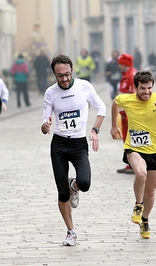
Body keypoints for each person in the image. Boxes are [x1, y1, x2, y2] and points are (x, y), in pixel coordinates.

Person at [41, 54, 106, 246]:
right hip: (59, 145)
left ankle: (74, 186)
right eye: (60, 76)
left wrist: (95, 130)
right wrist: (45, 126)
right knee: (62, 194)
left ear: (72, 71)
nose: (64, 79)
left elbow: (101, 108)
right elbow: (45, 120)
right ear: (54, 74)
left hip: (78, 145)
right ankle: (71, 231)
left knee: (85, 183)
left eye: (67, 74)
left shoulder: (84, 87)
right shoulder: (50, 93)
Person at [110, 70, 156, 239]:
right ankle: (138, 205)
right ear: (135, 88)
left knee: (150, 191)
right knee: (141, 173)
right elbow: (115, 102)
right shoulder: (127, 99)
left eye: (149, 88)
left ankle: (145, 220)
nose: (146, 92)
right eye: (142, 88)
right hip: (134, 147)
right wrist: (114, 126)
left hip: (155, 150)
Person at [116, 53, 137, 174]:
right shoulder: (126, 75)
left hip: (129, 115)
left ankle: (133, 165)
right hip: (124, 114)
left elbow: (133, 97)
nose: (119, 66)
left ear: (125, 64)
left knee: (131, 140)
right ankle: (129, 164)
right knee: (126, 140)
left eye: (120, 63)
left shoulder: (132, 76)